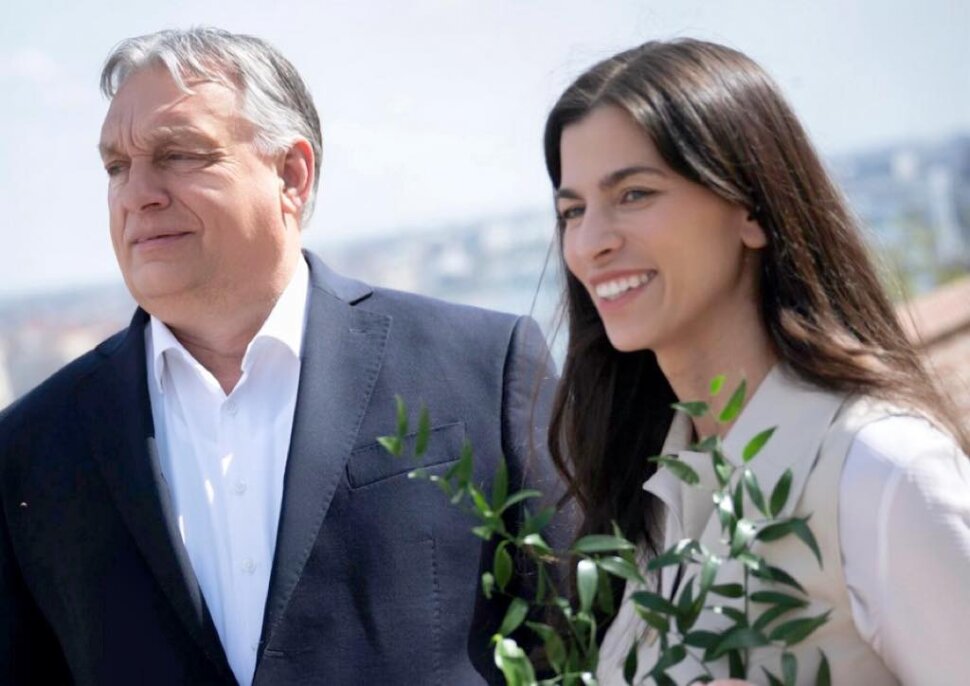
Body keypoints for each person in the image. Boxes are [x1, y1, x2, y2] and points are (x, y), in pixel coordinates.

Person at [0, 28, 561, 685]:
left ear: (291, 174)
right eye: (116, 167)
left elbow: (582, 646)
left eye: (178, 154)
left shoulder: (484, 367)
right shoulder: (31, 449)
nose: (136, 193)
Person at [542, 39, 970, 685]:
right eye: (573, 211)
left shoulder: (881, 470)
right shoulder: (652, 496)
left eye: (634, 194)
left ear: (752, 209)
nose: (590, 242)